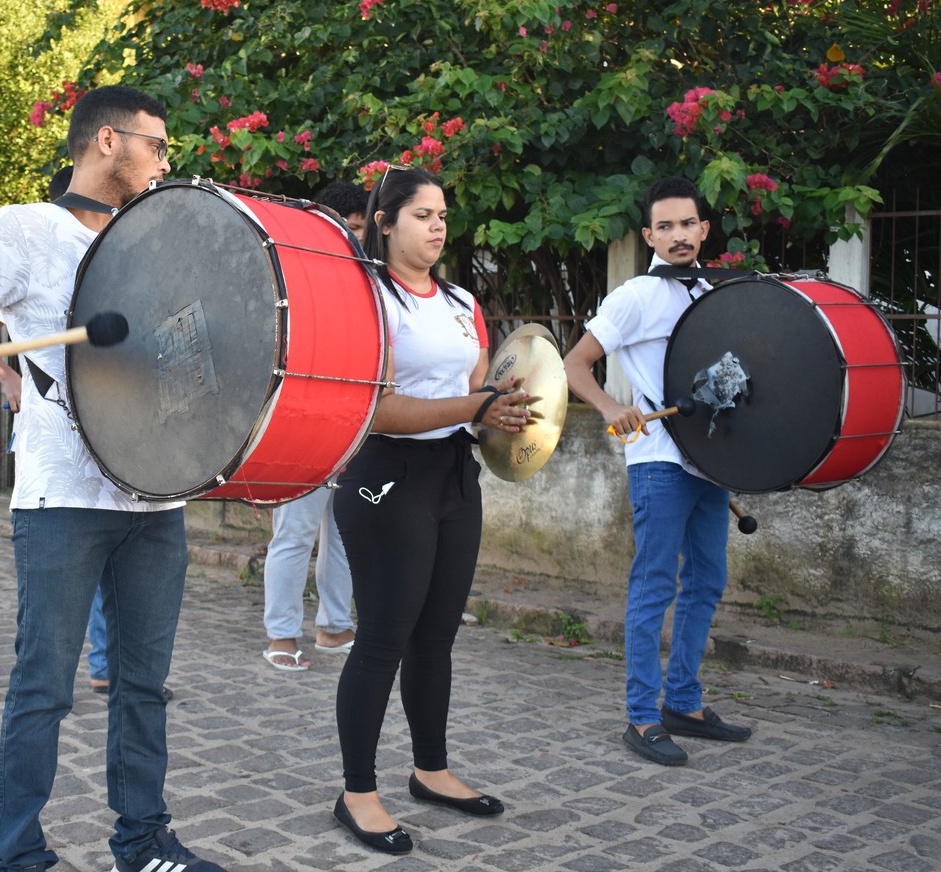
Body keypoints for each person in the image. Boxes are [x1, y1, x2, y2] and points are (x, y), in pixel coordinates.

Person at [0, 85, 228, 872]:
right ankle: (18, 852)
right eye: (157, 144)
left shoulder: (154, 238)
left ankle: (143, 842)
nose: (165, 160)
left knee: (143, 686)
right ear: (109, 141)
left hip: (155, 494)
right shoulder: (24, 230)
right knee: (44, 685)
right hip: (62, 497)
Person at [329, 165, 529, 853]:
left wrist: (504, 415)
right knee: (382, 639)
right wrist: (477, 405)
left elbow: (475, 395)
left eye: (443, 214)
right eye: (422, 214)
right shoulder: (365, 298)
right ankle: (357, 794)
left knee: (435, 639)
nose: (438, 225)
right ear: (384, 222)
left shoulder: (462, 301)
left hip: (453, 478)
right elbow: (376, 407)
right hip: (385, 477)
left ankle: (431, 770)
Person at [562, 175, 752, 767]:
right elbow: (575, 363)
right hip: (659, 465)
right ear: (649, 235)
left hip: (708, 462)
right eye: (664, 227)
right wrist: (612, 407)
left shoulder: (709, 294)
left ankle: (685, 703)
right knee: (654, 589)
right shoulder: (636, 296)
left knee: (706, 583)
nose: (677, 235)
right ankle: (642, 717)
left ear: (704, 229)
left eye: (687, 224)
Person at [260, 179, 368, 672]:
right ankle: (281, 636)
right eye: (350, 228)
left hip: (352, 420)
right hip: (302, 421)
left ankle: (333, 625)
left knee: (344, 530)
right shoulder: (288, 270)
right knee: (295, 532)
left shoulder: (366, 277)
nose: (354, 239)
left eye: (361, 230)